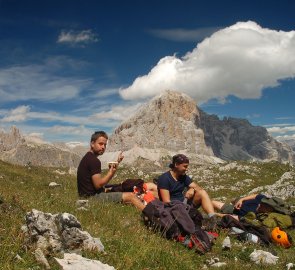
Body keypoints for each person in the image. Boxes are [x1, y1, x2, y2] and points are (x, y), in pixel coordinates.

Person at [77, 131, 145, 211]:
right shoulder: (94, 161)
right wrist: (111, 173)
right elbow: (98, 185)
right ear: (92, 144)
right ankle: (151, 214)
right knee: (131, 196)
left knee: (118, 187)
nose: (103, 147)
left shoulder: (87, 157)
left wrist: (117, 162)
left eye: (105, 145)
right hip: (92, 198)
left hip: (85, 196)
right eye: (100, 144)